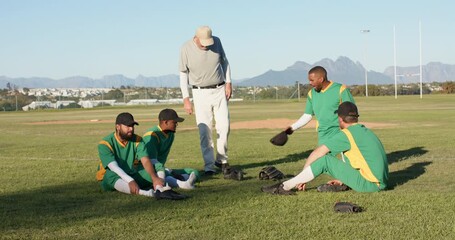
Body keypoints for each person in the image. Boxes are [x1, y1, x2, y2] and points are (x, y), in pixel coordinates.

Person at [262, 102, 389, 194]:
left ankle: (285, 186)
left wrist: (303, 177)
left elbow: (318, 153)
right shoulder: (365, 131)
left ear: (340, 119)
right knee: (346, 156)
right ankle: (345, 184)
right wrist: (343, 179)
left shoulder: (347, 134)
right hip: (378, 183)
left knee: (325, 160)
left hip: (371, 185)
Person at [179, 25, 233, 176]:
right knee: (205, 130)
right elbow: (183, 74)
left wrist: (228, 83)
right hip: (199, 93)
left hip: (219, 90)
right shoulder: (185, 48)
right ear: (196, 38)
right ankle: (209, 165)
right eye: (203, 42)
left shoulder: (217, 42)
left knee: (224, 126)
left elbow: (225, 62)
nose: (206, 45)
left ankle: (222, 160)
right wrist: (186, 99)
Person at [96, 112, 182, 199]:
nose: (131, 129)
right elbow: (114, 167)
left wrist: (154, 178)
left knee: (155, 166)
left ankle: (160, 189)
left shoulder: (138, 139)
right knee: (110, 175)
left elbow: (145, 160)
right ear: (118, 127)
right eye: (127, 126)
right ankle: (147, 193)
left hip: (130, 173)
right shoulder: (105, 144)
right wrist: (130, 180)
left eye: (132, 126)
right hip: (111, 176)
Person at [286, 66, 355, 147]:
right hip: (323, 134)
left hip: (340, 132)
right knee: (322, 159)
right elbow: (307, 115)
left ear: (321, 79)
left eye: (312, 80)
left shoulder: (341, 90)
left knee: (346, 159)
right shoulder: (311, 94)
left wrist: (348, 131)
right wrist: (292, 128)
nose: (310, 83)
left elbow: (352, 113)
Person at [142, 108, 200, 189]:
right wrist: (167, 171)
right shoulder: (151, 135)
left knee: (193, 171)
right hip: (149, 169)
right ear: (165, 122)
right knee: (167, 173)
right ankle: (182, 183)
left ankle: (180, 178)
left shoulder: (171, 135)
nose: (176, 125)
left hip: (162, 168)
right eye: (174, 122)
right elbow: (151, 161)